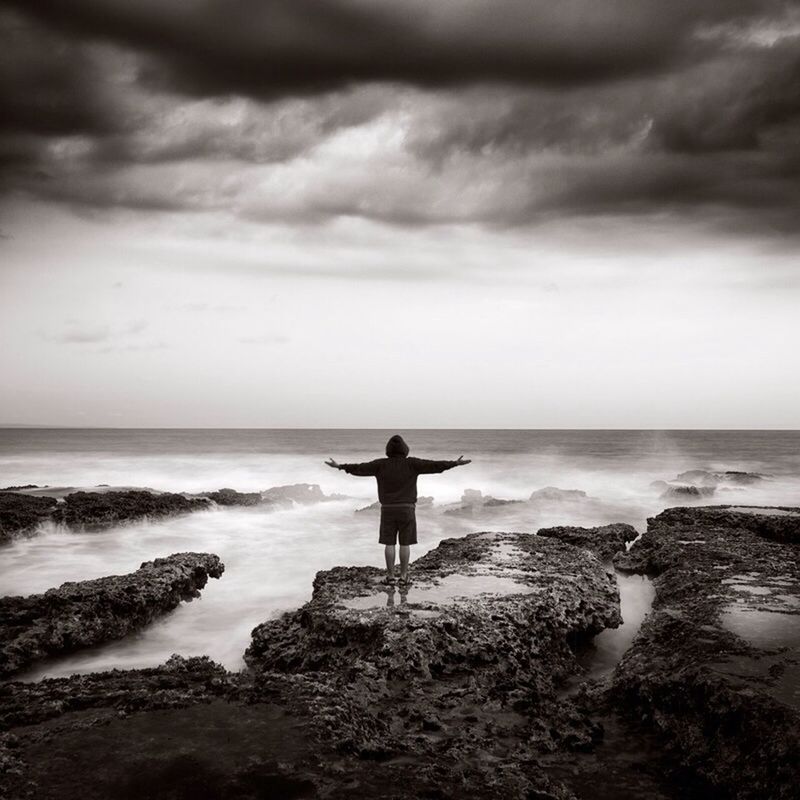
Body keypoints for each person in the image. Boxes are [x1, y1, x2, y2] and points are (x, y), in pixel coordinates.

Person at [325, 434, 471, 585]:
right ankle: (403, 576)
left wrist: (340, 466)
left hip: (387, 509)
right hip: (407, 509)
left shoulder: (380, 464)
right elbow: (434, 465)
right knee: (404, 543)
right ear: (405, 449)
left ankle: (390, 577)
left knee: (389, 543)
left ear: (388, 450)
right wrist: (454, 463)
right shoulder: (412, 464)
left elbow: (360, 468)